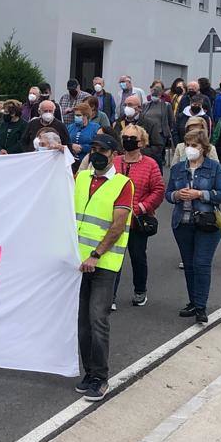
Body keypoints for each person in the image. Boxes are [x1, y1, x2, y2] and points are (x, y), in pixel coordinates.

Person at [73, 134, 132, 401]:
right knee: (83, 322)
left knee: (97, 318)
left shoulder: (123, 184)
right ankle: (89, 372)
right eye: (94, 149)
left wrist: (96, 254)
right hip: (78, 262)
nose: (97, 154)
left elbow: (118, 225)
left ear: (113, 155)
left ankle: (100, 377)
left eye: (103, 150)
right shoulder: (82, 177)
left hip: (103, 262)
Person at [166, 129, 221, 325]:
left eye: (194, 145)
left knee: (202, 263)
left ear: (203, 148)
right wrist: (177, 195)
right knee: (189, 265)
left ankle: (201, 306)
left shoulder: (215, 168)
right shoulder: (178, 169)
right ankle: (193, 302)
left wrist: (200, 194)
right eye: (187, 145)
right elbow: (168, 194)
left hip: (206, 222)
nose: (190, 149)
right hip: (182, 222)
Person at [111, 124, 165, 309]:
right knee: (112, 258)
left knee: (138, 257)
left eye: (132, 138)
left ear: (142, 142)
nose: (128, 141)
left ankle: (140, 290)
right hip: (114, 219)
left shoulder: (150, 164)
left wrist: (141, 207)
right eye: (125, 137)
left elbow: (158, 190)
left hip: (137, 220)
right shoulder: (114, 162)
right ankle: (110, 295)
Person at [114, 95, 164, 164]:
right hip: (123, 161)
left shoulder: (150, 124)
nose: (127, 107)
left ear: (139, 108)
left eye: (130, 105)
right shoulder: (119, 123)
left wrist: (137, 152)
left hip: (142, 162)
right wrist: (122, 152)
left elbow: (158, 146)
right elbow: (115, 141)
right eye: (125, 105)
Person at [142, 80, 175, 161]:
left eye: (156, 94)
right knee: (147, 154)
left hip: (160, 134)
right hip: (147, 133)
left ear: (160, 94)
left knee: (157, 156)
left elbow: (171, 120)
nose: (154, 96)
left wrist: (168, 132)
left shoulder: (166, 105)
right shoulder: (146, 105)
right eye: (153, 94)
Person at [67, 102, 101, 167]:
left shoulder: (95, 127)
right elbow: (64, 142)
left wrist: (82, 148)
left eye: (78, 115)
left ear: (86, 116)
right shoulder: (70, 127)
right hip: (71, 162)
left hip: (88, 162)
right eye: (75, 115)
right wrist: (71, 146)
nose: (76, 117)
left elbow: (98, 145)